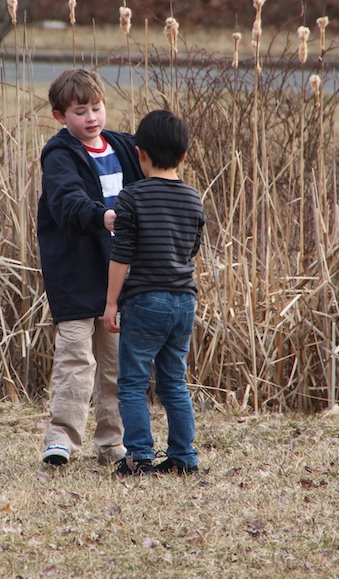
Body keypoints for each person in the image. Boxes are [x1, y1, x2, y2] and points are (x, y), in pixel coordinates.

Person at [36, 68, 143, 467]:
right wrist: (104, 217)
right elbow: (67, 201)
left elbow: (156, 173)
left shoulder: (125, 147)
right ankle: (61, 440)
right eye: (80, 112)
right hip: (75, 275)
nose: (91, 118)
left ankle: (112, 444)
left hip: (119, 279)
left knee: (116, 366)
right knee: (75, 361)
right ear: (60, 116)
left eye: (96, 108)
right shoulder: (60, 155)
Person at [103, 109, 205, 477]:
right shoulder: (193, 198)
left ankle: (139, 456)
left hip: (146, 300)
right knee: (174, 382)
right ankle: (183, 457)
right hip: (184, 301)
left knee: (132, 382)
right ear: (183, 156)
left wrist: (111, 303)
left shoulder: (131, 197)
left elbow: (121, 255)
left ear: (139, 153)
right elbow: (192, 249)